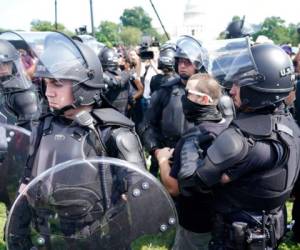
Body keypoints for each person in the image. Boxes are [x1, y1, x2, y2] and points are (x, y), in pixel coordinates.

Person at [9, 32, 146, 250]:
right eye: (46, 83)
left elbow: (143, 196)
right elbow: (27, 183)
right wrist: (17, 232)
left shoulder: (114, 132)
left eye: (57, 84)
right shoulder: (44, 126)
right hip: (50, 232)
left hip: (102, 233)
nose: (49, 92)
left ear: (83, 85)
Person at [178, 42, 300, 249]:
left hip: (235, 238)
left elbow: (191, 183)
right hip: (270, 231)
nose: (232, 90)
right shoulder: (290, 126)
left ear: (258, 89)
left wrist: (190, 145)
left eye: (239, 84)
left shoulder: (237, 140)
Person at [157, 73, 228, 250]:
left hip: (195, 224)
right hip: (223, 219)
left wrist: (163, 159)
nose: (184, 97)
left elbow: (174, 188)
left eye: (188, 93)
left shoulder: (191, 138)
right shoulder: (228, 128)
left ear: (203, 99)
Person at [141, 35, 208, 177]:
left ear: (197, 64)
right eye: (180, 61)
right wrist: (157, 151)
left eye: (187, 62)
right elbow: (146, 125)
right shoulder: (164, 91)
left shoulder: (210, 91)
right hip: (171, 159)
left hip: (202, 161)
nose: (182, 66)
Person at [0, 39, 40, 129]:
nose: (3, 68)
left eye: (6, 63)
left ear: (13, 64)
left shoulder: (23, 95)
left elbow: (30, 130)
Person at [99, 47, 130, 115]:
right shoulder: (124, 74)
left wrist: (97, 73)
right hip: (107, 117)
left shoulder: (125, 74)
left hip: (119, 117)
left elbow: (116, 83)